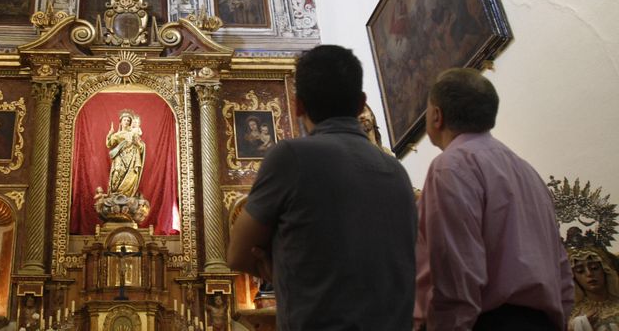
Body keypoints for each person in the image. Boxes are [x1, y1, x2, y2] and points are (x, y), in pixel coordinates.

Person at [227, 45, 417, 330]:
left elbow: (237, 254)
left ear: (298, 105)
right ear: (360, 103)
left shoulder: (291, 157)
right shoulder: (397, 172)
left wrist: (280, 270)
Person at [414, 68, 574, 330]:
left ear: (436, 116)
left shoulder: (450, 166)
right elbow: (561, 268)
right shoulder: (527, 171)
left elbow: (457, 268)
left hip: (489, 322)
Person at [566, 239, 619, 331]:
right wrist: (579, 325)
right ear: (574, 278)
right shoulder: (572, 314)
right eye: (580, 271)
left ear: (605, 270)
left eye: (594, 268)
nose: (589, 274)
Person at [106, 110, 146, 197]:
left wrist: (137, 143)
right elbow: (109, 144)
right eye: (125, 120)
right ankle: (115, 194)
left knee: (131, 175)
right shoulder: (117, 135)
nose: (126, 122)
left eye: (128, 120)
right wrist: (110, 134)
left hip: (132, 158)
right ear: (120, 122)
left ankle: (126, 196)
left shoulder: (133, 134)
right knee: (117, 172)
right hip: (120, 157)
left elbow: (141, 147)